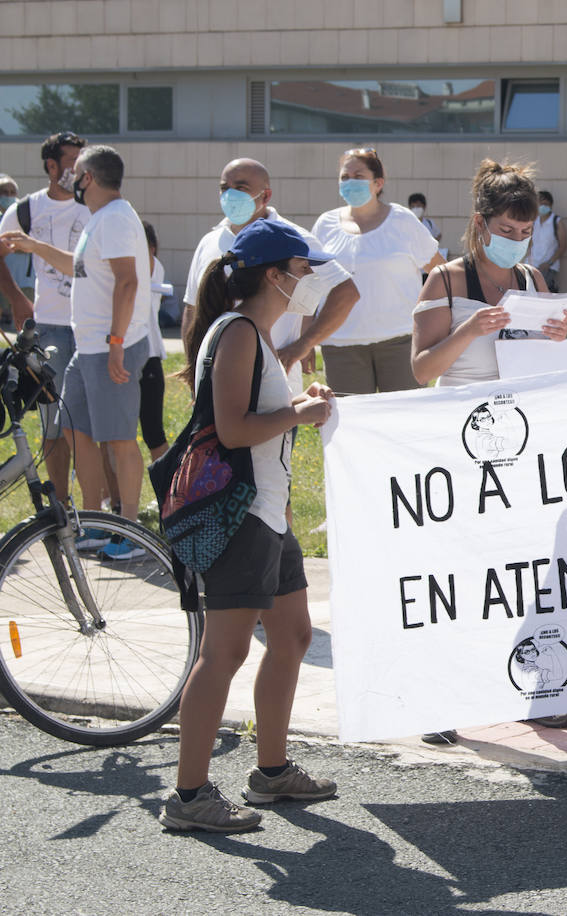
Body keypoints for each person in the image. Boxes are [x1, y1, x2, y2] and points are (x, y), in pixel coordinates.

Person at [158, 220, 338, 834]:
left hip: (266, 512)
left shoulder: (254, 335)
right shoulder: (237, 334)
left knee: (292, 637)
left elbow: (262, 417)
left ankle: (271, 771)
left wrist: (298, 404)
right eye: (302, 268)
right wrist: (300, 411)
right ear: (274, 274)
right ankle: (187, 798)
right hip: (242, 514)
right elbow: (235, 430)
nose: (309, 279)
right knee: (225, 652)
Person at [411, 159, 567, 742]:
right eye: (506, 231)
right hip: (461, 445)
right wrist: (469, 330)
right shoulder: (446, 282)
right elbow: (423, 367)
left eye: (525, 233)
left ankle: (533, 686)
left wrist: (558, 337)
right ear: (480, 224)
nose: (516, 242)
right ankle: (442, 699)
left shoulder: (533, 282)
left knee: (524, 572)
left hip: (519, 447)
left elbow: (549, 368)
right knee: (459, 576)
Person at [2, 145, 150, 558]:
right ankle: (96, 523)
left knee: (119, 440)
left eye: (78, 173)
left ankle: (131, 532)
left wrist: (117, 343)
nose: (72, 180)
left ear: (92, 178)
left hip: (108, 348)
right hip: (86, 348)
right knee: (75, 431)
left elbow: (127, 282)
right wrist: (35, 247)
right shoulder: (99, 219)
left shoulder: (117, 218)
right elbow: (80, 267)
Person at [184, 158, 360, 397]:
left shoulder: (295, 239)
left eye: (241, 188)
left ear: (265, 196)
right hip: (221, 377)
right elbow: (192, 311)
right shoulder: (210, 241)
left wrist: (303, 343)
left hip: (277, 380)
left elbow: (346, 291)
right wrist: (196, 371)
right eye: (225, 188)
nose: (230, 195)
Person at [0, 131, 87, 506]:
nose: (79, 169)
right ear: (51, 166)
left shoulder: (96, 205)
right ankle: (62, 507)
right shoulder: (27, 209)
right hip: (50, 329)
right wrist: (17, 298)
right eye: (72, 161)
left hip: (92, 328)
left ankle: (109, 514)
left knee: (87, 428)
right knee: (53, 426)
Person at [313, 148, 444, 395]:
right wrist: (306, 338)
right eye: (344, 177)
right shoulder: (325, 225)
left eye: (358, 176)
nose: (350, 182)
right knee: (352, 426)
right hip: (341, 345)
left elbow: (439, 273)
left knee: (402, 425)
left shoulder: (402, 220)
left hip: (401, 342)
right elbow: (312, 284)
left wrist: (436, 324)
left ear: (378, 183)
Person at [141, 221, 169, 462]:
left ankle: (168, 494)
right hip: (120, 353)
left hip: (148, 355)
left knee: (153, 432)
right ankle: (110, 497)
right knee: (116, 432)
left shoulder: (153, 266)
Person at [526, 189, 567, 293]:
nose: (543, 206)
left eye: (546, 204)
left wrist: (549, 263)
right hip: (532, 265)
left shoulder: (556, 221)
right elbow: (530, 243)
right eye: (540, 203)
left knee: (542, 295)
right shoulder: (533, 221)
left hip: (546, 267)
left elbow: (563, 246)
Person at [0, 174, 21, 325]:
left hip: (25, 281)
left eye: (12, 192)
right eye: (4, 192)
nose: (9, 196)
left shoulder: (22, 215)